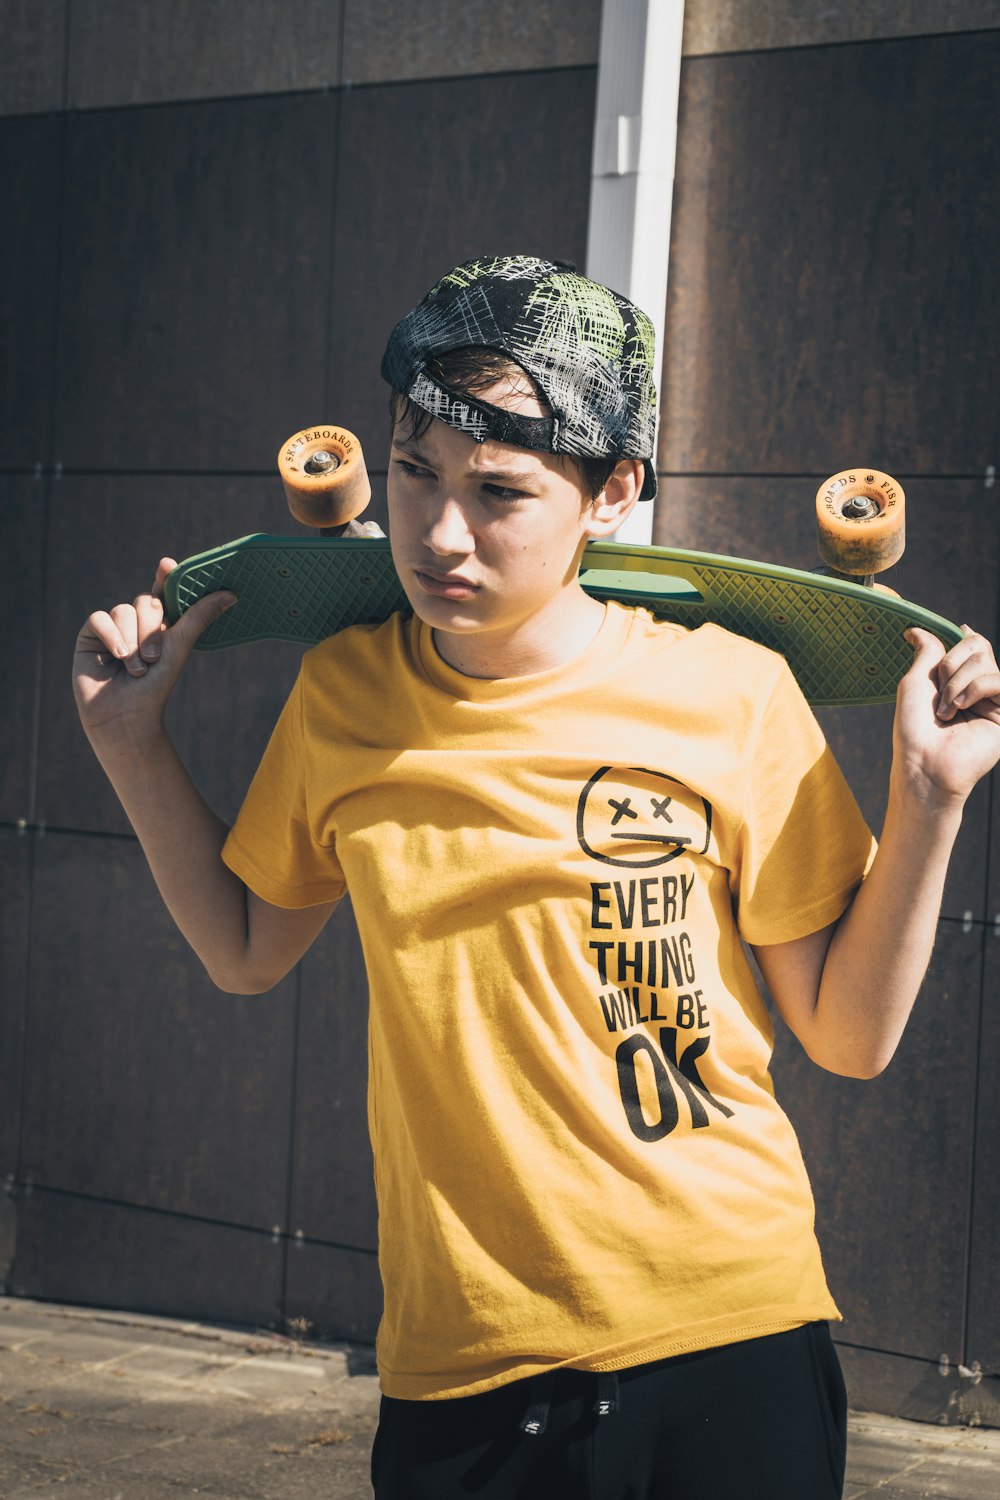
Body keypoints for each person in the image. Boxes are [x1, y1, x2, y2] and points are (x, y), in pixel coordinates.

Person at [73, 254, 1000, 1500]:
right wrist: (131, 747)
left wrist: (930, 799)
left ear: (611, 492)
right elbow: (247, 949)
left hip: (725, 1333)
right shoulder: (346, 695)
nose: (441, 534)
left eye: (501, 491)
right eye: (414, 475)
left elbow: (848, 1032)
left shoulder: (727, 689)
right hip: (462, 1356)